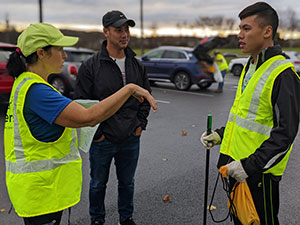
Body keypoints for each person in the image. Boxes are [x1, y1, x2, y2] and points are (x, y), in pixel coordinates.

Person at [4, 23, 157, 225]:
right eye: (60, 50)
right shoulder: (38, 91)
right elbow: (89, 117)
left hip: (40, 192)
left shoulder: (26, 84)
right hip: (42, 194)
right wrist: (128, 89)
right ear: (41, 53)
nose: (65, 56)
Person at [200, 2, 300, 225]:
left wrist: (250, 166)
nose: (239, 35)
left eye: (246, 28)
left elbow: (286, 133)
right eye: (240, 28)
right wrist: (220, 135)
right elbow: (248, 119)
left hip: (258, 175)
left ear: (267, 31)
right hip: (236, 169)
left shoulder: (283, 73)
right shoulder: (251, 65)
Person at [74, 10, 151, 225]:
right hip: (103, 139)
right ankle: (97, 219)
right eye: (119, 30)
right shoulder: (91, 66)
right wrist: (98, 134)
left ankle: (126, 218)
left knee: (127, 183)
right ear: (106, 32)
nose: (125, 34)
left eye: (127, 29)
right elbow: (82, 103)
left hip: (130, 137)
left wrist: (140, 125)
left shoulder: (137, 65)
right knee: (98, 183)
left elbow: (146, 97)